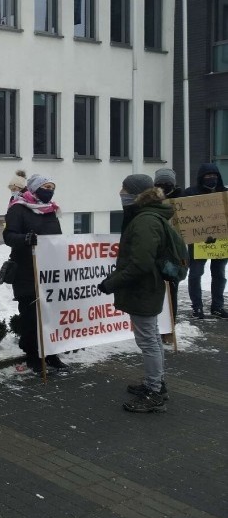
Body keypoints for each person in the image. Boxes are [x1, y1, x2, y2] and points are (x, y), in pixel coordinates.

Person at [98, 174, 170, 413]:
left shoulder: (144, 221)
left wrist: (113, 283)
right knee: (151, 338)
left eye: (124, 189)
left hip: (143, 288)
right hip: (146, 287)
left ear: (137, 193)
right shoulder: (145, 216)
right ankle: (155, 383)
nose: (120, 193)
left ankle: (154, 391)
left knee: (148, 340)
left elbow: (140, 263)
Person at [3, 174, 68, 373]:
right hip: (26, 270)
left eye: (52, 187)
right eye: (45, 186)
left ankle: (50, 354)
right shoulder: (18, 209)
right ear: (34, 188)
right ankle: (32, 355)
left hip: (48, 271)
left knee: (49, 315)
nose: (49, 190)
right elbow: (8, 236)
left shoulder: (51, 210)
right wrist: (26, 238)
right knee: (30, 315)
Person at [182, 163, 228, 319]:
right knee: (195, 274)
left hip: (221, 242)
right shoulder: (190, 194)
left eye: (214, 176)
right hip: (198, 241)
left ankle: (217, 306)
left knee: (219, 275)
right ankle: (197, 307)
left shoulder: (225, 194)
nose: (211, 178)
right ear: (201, 178)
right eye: (207, 176)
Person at [153, 168, 183, 330]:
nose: (164, 186)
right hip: (155, 251)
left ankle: (170, 324)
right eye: (160, 184)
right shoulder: (150, 199)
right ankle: (158, 324)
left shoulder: (183, 200)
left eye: (167, 183)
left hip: (173, 254)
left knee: (172, 288)